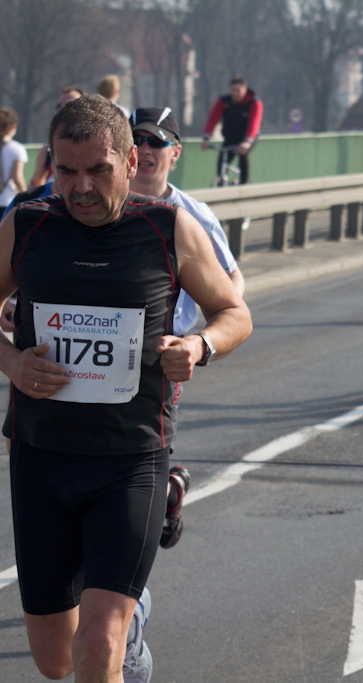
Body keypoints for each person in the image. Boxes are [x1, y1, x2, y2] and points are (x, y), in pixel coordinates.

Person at [0, 94, 251, 683]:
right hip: (42, 456)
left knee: (99, 642)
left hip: (131, 459)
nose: (81, 187)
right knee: (55, 659)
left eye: (98, 170)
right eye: (66, 171)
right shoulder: (27, 225)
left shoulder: (168, 228)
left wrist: (200, 346)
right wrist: (11, 362)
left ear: (131, 161)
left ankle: (120, 646)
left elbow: (234, 311)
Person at [129, 106, 246, 548]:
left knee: (143, 459)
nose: (144, 150)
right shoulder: (101, 204)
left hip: (163, 354)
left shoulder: (191, 214)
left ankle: (163, 493)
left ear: (175, 153)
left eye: (156, 142)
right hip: (105, 346)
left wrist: (203, 338)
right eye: (137, 140)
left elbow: (231, 281)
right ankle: (167, 488)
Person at [201, 76, 263, 185]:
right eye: (233, 90)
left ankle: (244, 182)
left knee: (243, 154)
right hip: (230, 136)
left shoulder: (254, 102)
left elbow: (254, 123)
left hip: (247, 137)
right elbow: (213, 119)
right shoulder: (224, 101)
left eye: (238, 90)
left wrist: (247, 141)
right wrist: (206, 138)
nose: (235, 93)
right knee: (223, 158)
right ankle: (221, 181)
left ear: (245, 89)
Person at [29, 85, 84, 189]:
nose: (64, 111)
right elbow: (36, 183)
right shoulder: (48, 151)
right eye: (59, 106)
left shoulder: (96, 146)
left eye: (71, 106)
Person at [0, 108, 28, 209]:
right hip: (7, 201)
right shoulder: (16, 148)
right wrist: (26, 196)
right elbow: (17, 177)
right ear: (13, 126)